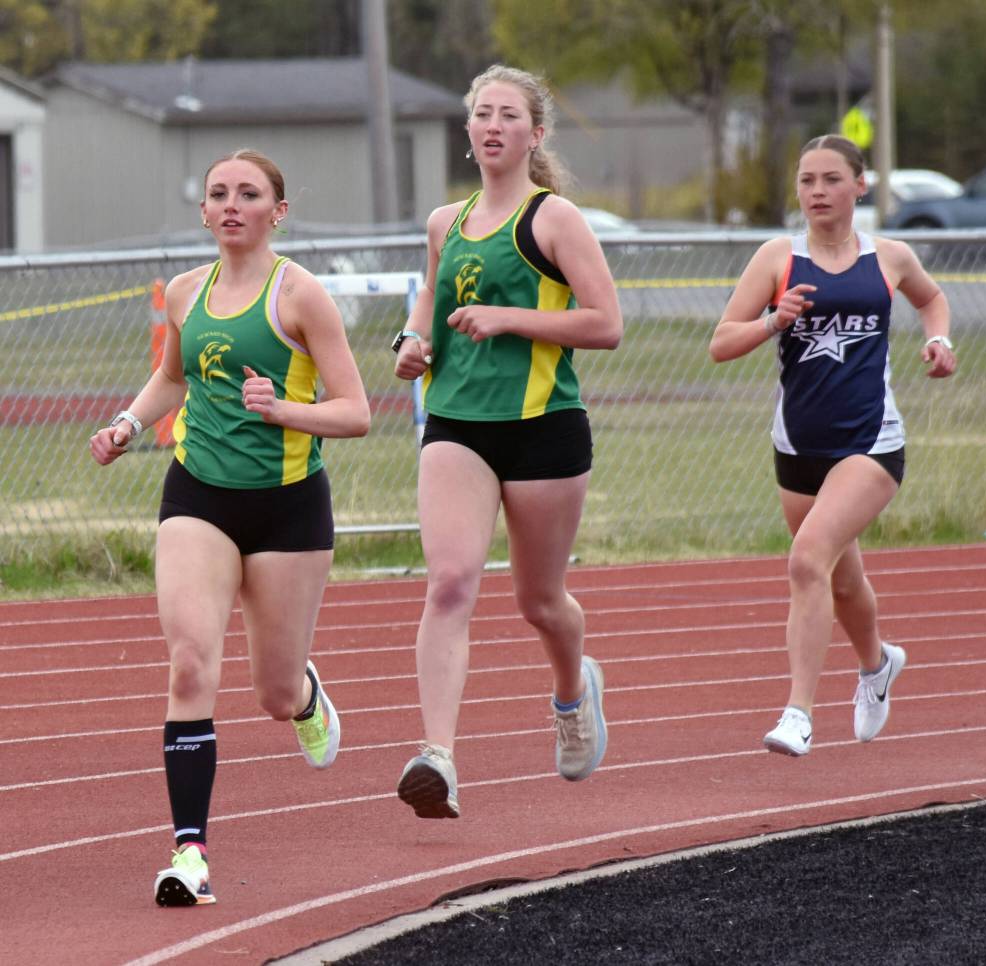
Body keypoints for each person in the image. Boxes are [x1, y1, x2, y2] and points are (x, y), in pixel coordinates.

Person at [89, 149, 370, 904]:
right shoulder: (185, 292)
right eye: (218, 194)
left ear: (278, 211)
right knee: (189, 665)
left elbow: (358, 412)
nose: (231, 204)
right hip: (199, 496)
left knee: (273, 693)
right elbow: (174, 377)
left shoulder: (301, 296)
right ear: (205, 212)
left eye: (249, 193)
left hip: (287, 507)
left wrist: (282, 410)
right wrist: (125, 424)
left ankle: (305, 698)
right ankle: (189, 854)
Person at [392, 64, 623, 818]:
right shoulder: (444, 224)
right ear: (468, 131)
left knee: (539, 600)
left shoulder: (553, 219)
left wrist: (509, 318)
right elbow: (431, 297)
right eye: (481, 114)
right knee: (451, 581)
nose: (492, 125)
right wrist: (412, 342)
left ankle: (570, 694)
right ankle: (438, 758)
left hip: (543, 429)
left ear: (534, 133)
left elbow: (606, 324)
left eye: (508, 115)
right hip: (456, 425)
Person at [708, 134, 956, 758]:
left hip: (871, 443)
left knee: (805, 560)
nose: (816, 191)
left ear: (859, 185)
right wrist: (773, 320)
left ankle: (798, 712)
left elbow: (931, 299)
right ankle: (877, 664)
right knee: (840, 582)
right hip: (798, 448)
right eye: (806, 180)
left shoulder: (890, 257)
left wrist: (940, 340)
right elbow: (720, 342)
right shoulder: (777, 258)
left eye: (830, 179)